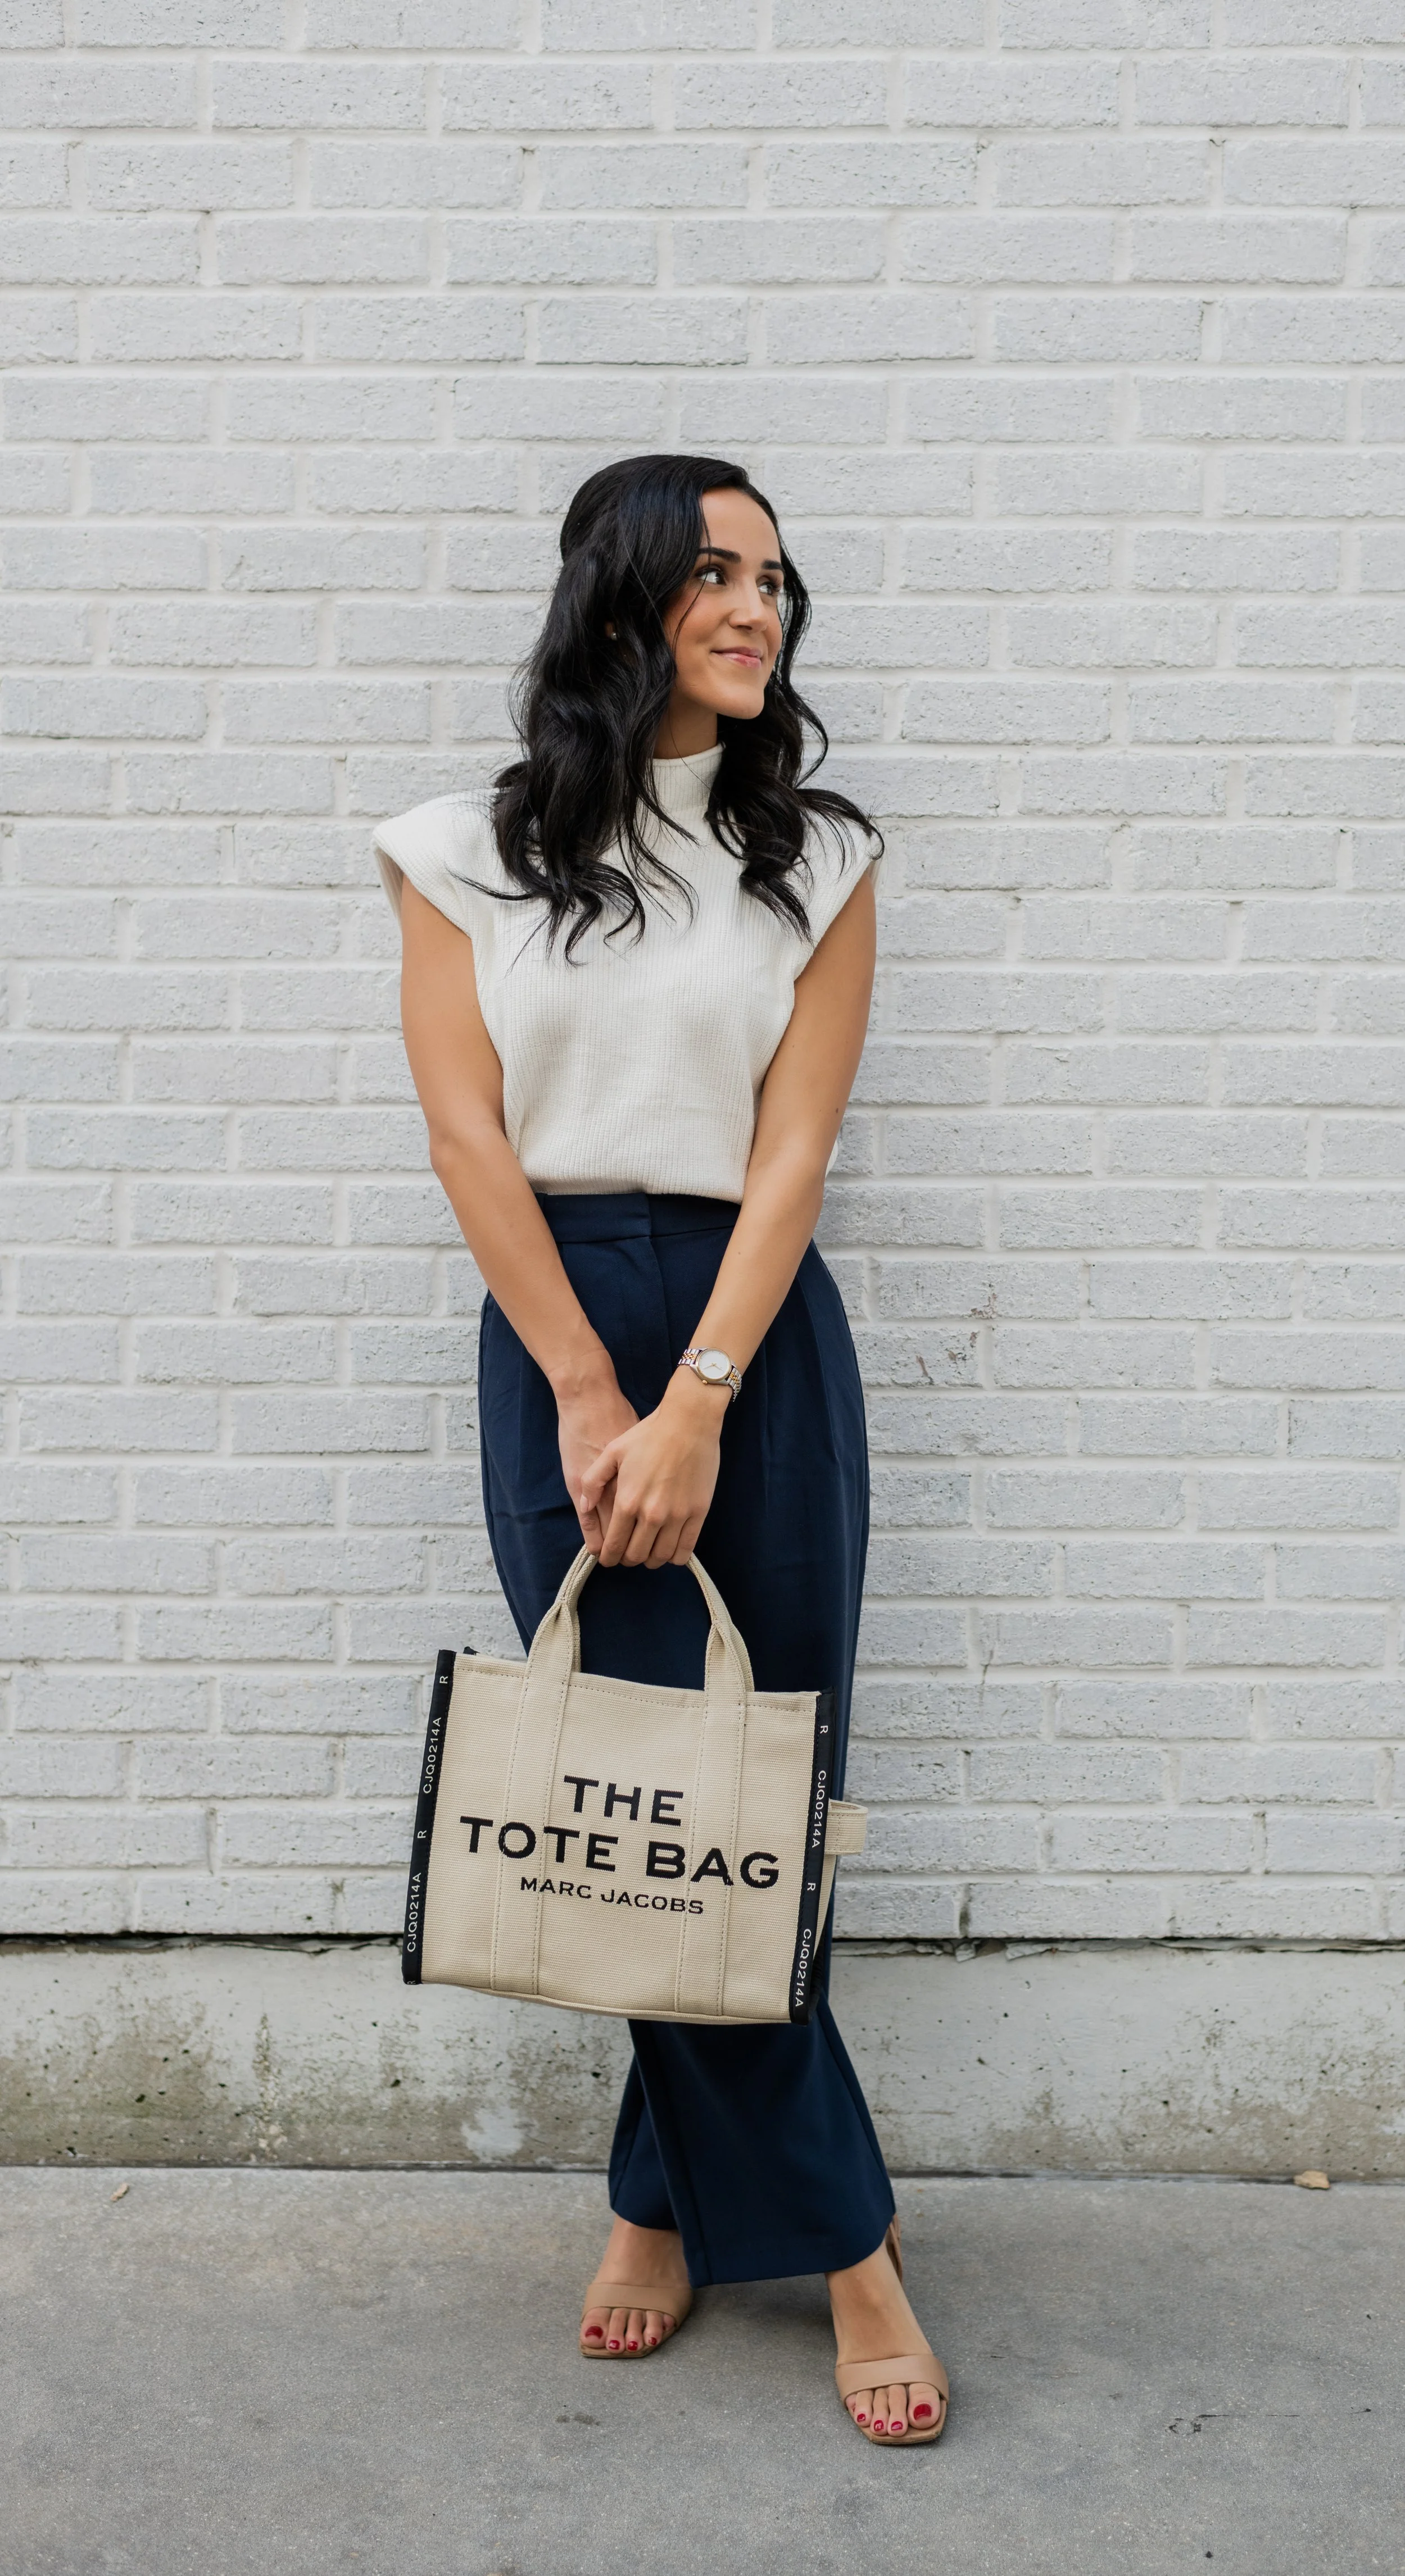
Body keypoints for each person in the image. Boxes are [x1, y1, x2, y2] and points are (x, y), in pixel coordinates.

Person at [373, 452, 947, 2448]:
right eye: (714, 573)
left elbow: (794, 1146)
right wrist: (589, 1390)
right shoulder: (461, 847)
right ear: (618, 597)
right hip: (554, 1326)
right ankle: (850, 2241)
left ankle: (654, 2202)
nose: (756, 609)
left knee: (747, 1790)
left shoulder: (824, 851)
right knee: (624, 1779)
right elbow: (467, 1132)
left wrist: (696, 1391)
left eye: (777, 580)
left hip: (754, 1330)